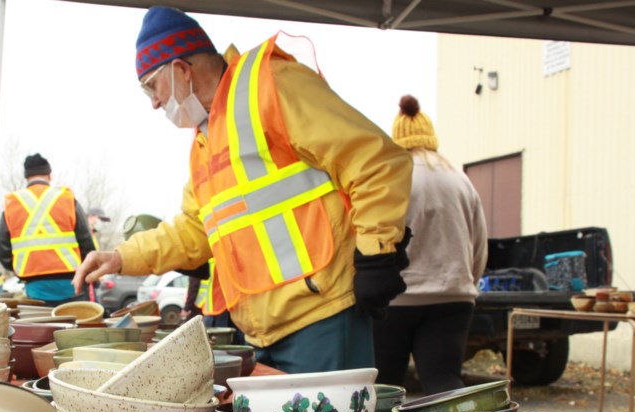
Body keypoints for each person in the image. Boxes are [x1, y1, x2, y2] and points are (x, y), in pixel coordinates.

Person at [72, 6, 412, 374]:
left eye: (151, 86)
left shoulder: (272, 84)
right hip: (262, 332)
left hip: (322, 316)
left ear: (181, 69)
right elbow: (194, 230)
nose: (154, 102)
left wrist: (376, 254)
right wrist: (121, 258)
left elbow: (375, 160)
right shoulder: (207, 136)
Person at [373, 95, 488, 394]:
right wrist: (466, 284)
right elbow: (479, 245)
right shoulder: (459, 180)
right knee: (444, 384)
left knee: (385, 389)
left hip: (395, 302)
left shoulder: (389, 179)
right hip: (453, 298)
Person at [0, 152, 96, 304]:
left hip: (35, 286)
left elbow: (1, 247)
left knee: (42, 327)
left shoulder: (13, 203)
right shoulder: (66, 198)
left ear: (27, 177)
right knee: (74, 327)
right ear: (49, 175)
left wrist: (22, 267)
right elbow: (86, 240)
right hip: (72, 283)